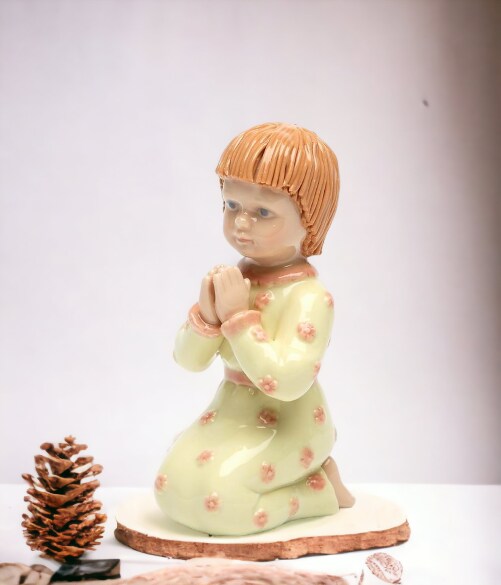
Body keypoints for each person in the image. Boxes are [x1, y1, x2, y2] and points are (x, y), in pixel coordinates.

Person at [155, 122, 354, 536]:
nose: (241, 224)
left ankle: (320, 491)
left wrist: (237, 320)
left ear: (310, 220)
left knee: (222, 503)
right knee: (170, 488)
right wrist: (208, 318)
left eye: (263, 213)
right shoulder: (233, 279)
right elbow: (188, 362)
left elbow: (286, 382)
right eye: (231, 205)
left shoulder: (309, 296)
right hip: (231, 412)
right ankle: (297, 487)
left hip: (290, 421)